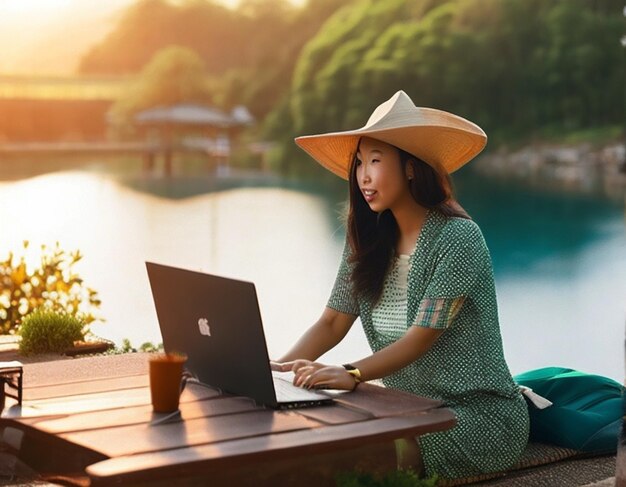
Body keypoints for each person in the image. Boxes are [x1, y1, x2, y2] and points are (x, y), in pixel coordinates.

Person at [272, 90, 529, 480]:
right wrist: (276, 374)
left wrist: (353, 373)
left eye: (376, 160)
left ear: (410, 168)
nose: (364, 176)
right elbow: (331, 323)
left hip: (476, 416)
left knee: (345, 460)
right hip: (403, 409)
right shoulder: (366, 238)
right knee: (300, 439)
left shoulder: (458, 238)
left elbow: (419, 337)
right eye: (359, 163)